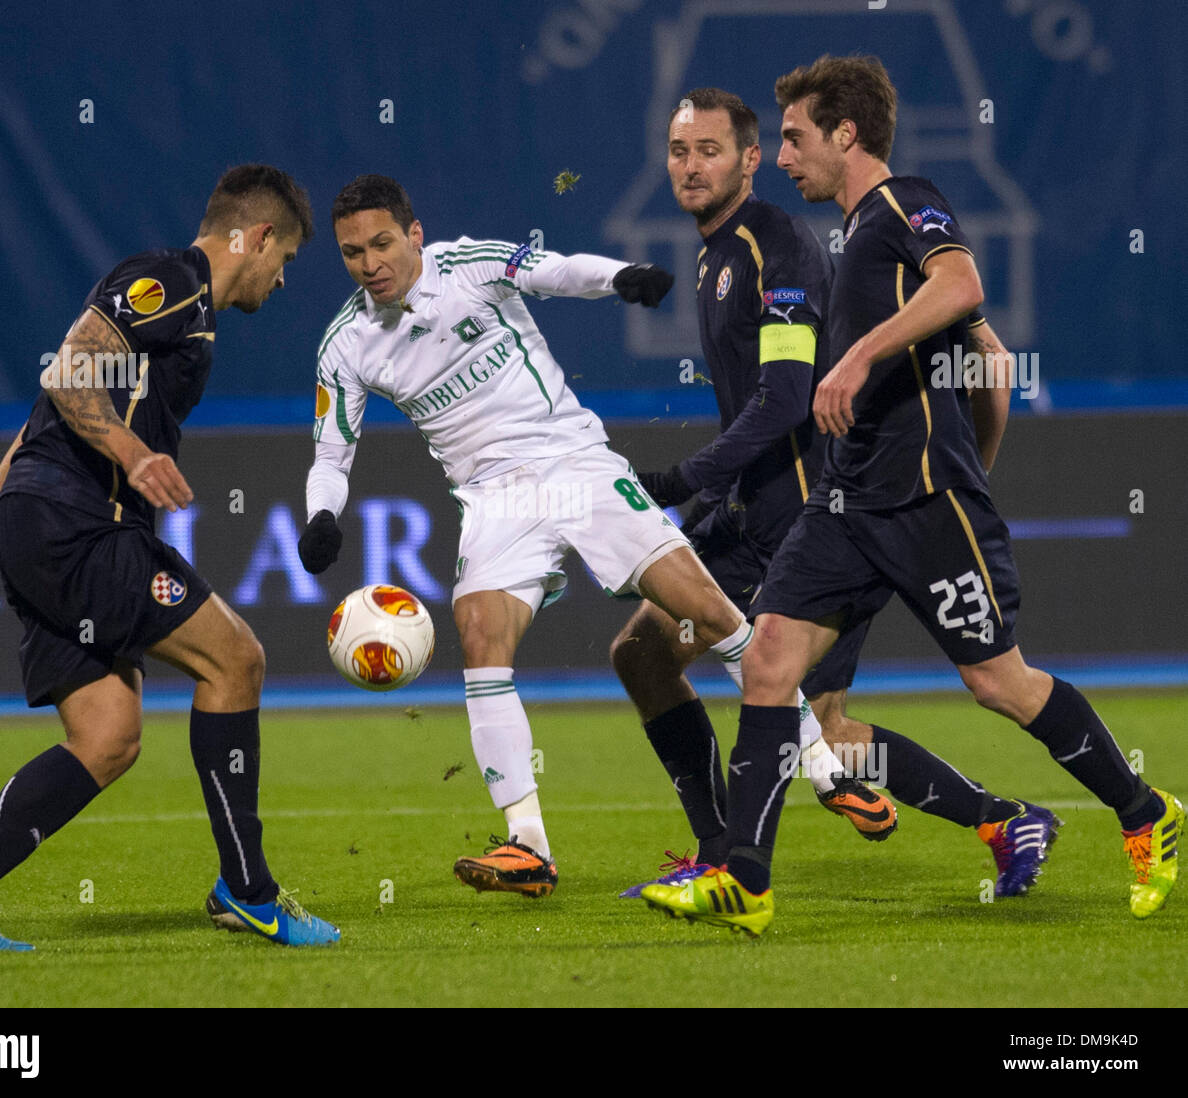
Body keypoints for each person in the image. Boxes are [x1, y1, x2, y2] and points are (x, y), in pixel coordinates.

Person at [641, 55, 1181, 935]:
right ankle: (746, 878)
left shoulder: (902, 204)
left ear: (846, 134)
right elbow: (993, 363)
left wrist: (890, 395)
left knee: (999, 684)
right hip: (846, 509)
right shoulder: (856, 240)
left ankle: (1143, 812)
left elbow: (967, 292)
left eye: (795, 137)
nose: (782, 158)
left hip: (927, 507)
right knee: (771, 663)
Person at [299, 173, 831, 898]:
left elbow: (551, 271)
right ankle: (529, 845)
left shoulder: (469, 266)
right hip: (491, 496)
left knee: (703, 611)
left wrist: (622, 278)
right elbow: (332, 453)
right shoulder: (347, 344)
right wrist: (323, 516)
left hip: (572, 460)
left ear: (414, 234)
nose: (370, 263)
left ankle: (829, 770)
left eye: (382, 243)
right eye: (352, 252)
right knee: (480, 631)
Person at [617, 88, 1048, 902]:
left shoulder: (772, 243)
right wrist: (709, 503)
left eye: (711, 149)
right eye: (679, 151)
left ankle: (998, 819)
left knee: (822, 723)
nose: (690, 166)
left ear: (748, 161)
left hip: (810, 516)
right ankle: (725, 850)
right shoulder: (715, 253)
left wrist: (683, 483)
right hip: (752, 511)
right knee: (654, 658)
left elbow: (785, 401)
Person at [0, 164, 340, 950]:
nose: (281, 281)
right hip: (82, 526)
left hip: (45, 525)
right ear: (260, 236)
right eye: (289, 260)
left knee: (107, 736)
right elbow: (69, 374)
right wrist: (134, 457)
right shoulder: (169, 280)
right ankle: (249, 892)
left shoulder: (192, 313)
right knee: (235, 659)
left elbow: (46, 415)